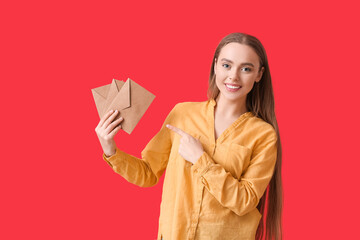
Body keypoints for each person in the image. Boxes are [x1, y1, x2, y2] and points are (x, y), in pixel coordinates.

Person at [95, 32, 283, 240]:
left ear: (259, 74)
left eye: (246, 69)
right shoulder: (182, 114)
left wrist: (201, 160)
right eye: (227, 65)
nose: (234, 76)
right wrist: (110, 149)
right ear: (215, 65)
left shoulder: (263, 134)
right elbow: (148, 172)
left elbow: (245, 201)